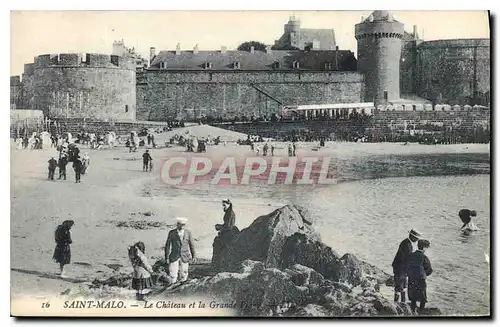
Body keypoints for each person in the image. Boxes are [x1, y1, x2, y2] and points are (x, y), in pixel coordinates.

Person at [392, 229, 421, 303]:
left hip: (400, 268)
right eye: (416, 239)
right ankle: (400, 303)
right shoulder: (407, 245)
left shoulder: (406, 242)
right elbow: (408, 259)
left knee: (402, 286)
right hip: (400, 268)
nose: (417, 240)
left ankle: (401, 302)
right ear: (412, 237)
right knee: (400, 287)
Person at [164, 217, 196, 284]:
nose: (182, 226)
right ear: (177, 224)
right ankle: (171, 288)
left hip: (185, 256)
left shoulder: (188, 233)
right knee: (172, 274)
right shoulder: (172, 233)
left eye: (183, 225)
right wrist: (166, 257)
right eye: (180, 224)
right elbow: (167, 246)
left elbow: (192, 245)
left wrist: (194, 256)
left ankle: (181, 288)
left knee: (184, 273)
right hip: (174, 256)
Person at [407, 239, 433, 314]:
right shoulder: (424, 257)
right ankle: (421, 312)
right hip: (420, 279)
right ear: (424, 248)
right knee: (422, 297)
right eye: (427, 247)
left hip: (411, 278)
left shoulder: (411, 255)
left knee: (413, 297)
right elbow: (429, 270)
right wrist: (425, 273)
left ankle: (412, 311)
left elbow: (407, 266)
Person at [213, 199, 240, 266]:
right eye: (223, 205)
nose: (223, 207)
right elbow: (227, 225)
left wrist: (220, 227)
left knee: (219, 245)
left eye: (224, 205)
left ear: (228, 204)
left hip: (229, 232)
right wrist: (220, 227)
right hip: (228, 231)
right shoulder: (228, 212)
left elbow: (228, 226)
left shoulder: (230, 213)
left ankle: (219, 263)